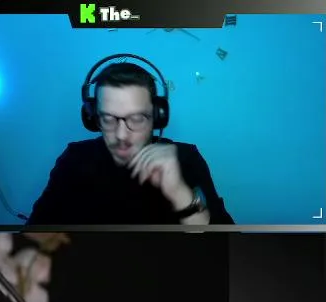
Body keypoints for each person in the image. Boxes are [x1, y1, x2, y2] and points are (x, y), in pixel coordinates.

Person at [26, 62, 233, 226]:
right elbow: (33, 235)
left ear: (157, 117)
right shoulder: (75, 159)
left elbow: (228, 249)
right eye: (108, 118)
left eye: (136, 118)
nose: (121, 135)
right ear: (92, 117)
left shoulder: (186, 158)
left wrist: (179, 192)